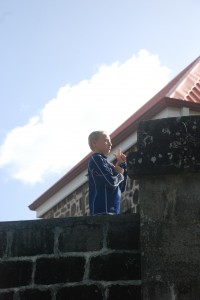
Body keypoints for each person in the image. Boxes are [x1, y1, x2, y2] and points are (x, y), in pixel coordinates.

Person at [87, 130, 127, 215]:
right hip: (101, 212)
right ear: (95, 143)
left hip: (114, 212)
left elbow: (122, 187)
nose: (110, 144)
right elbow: (111, 182)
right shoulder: (96, 159)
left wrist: (122, 165)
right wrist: (119, 174)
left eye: (110, 141)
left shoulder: (108, 164)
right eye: (106, 141)